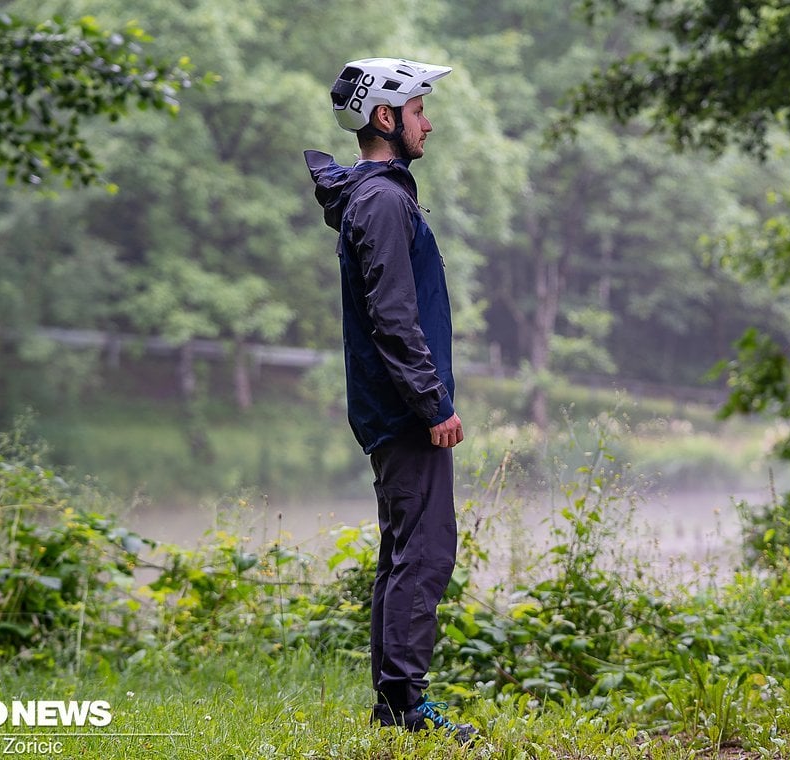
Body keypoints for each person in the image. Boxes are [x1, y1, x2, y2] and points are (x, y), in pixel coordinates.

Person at [303, 58, 476, 744]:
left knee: (406, 550)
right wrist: (434, 405)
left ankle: (394, 706)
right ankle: (406, 708)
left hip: (396, 406)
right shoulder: (381, 201)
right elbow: (393, 316)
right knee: (426, 552)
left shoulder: (381, 197)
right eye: (418, 110)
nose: (427, 122)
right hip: (405, 411)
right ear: (386, 118)